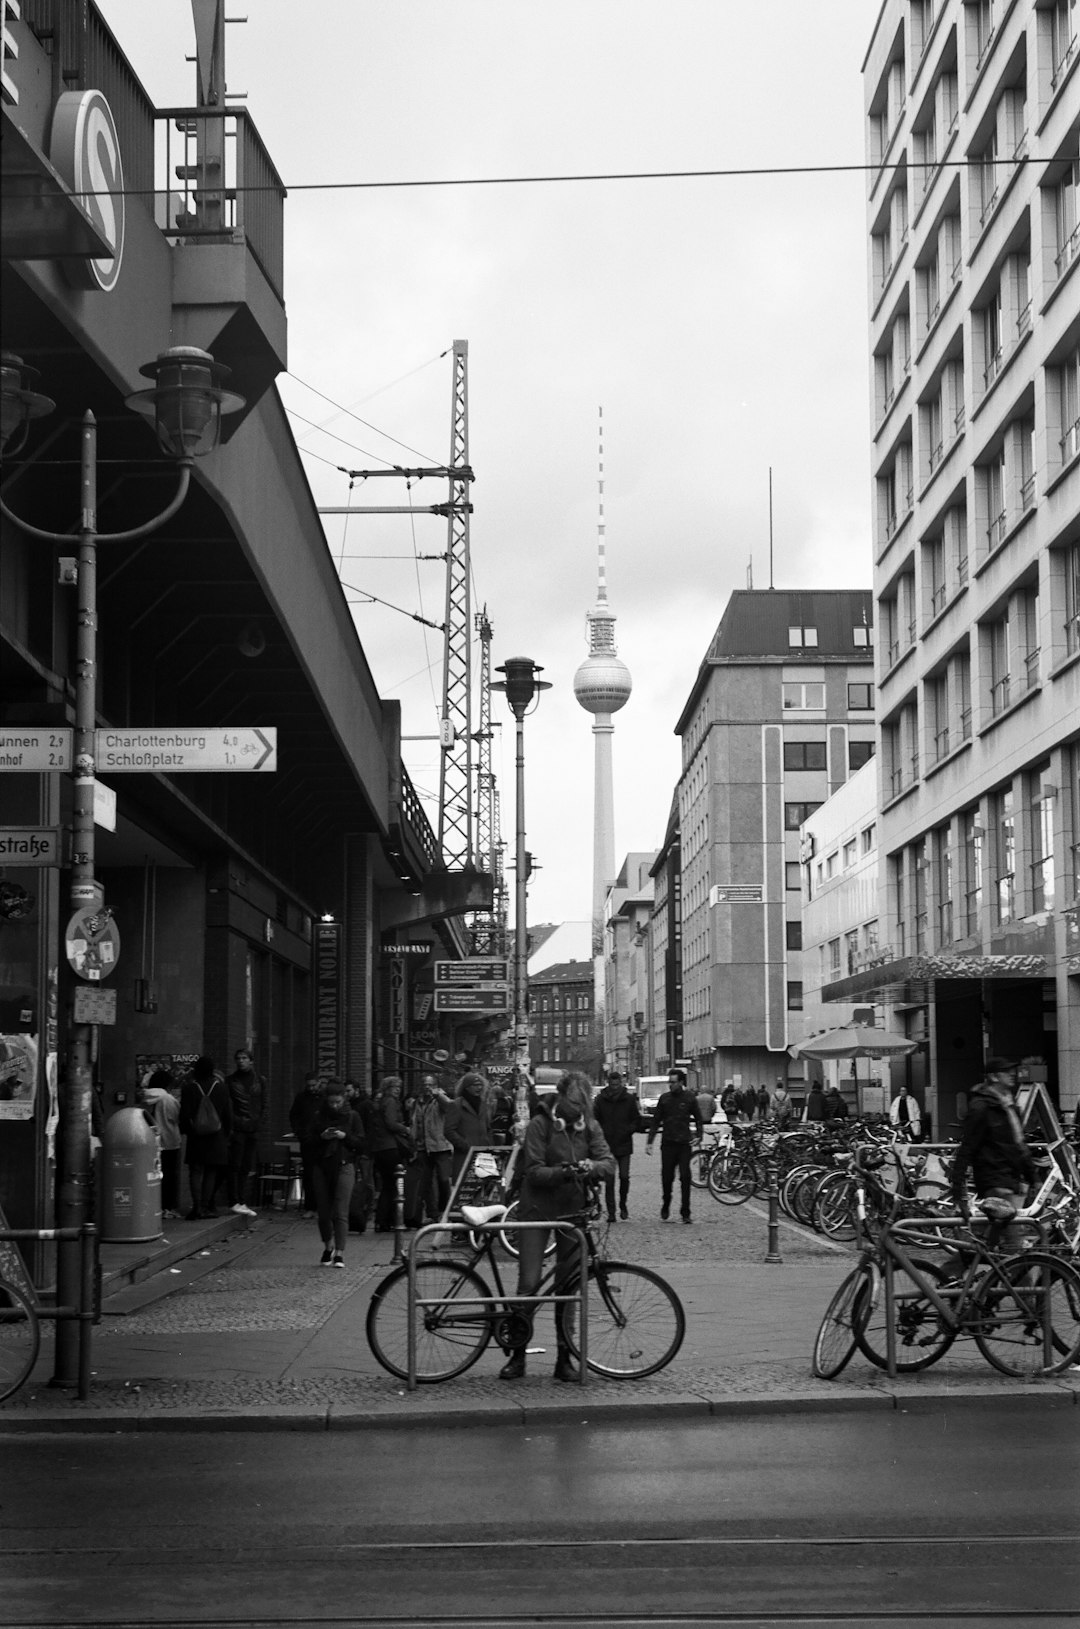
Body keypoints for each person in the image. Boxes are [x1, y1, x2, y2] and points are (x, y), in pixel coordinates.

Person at [499, 1073, 614, 1382]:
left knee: (569, 1287)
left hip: (572, 1213)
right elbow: (534, 1170)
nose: (579, 1110)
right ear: (561, 1098)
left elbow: (608, 1162)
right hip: (537, 1211)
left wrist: (593, 1167)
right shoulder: (540, 1123)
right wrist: (568, 1172)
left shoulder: (588, 1125)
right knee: (529, 1283)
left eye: (584, 1104)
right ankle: (517, 1356)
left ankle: (564, 1358)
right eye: (574, 1103)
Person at [949, 1058, 1036, 1241]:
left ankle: (975, 1262)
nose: (1012, 1075)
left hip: (1009, 1179)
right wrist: (959, 1191)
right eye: (1006, 1072)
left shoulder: (1008, 1106)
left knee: (996, 1239)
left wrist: (1033, 1178)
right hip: (995, 1181)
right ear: (994, 1077)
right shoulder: (982, 1107)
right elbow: (967, 1148)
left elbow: (1019, 1145)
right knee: (1015, 1242)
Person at [309, 1078, 365, 1267]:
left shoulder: (352, 1116)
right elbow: (308, 1141)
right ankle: (328, 1246)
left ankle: (339, 1252)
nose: (334, 1106)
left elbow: (361, 1143)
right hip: (322, 1166)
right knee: (324, 1212)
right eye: (331, 1102)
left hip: (344, 1165)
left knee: (341, 1211)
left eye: (338, 1102)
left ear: (344, 1099)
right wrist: (321, 1136)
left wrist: (345, 1136)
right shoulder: (318, 1116)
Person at [646, 1068, 704, 1223]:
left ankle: (686, 1211)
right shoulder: (664, 1099)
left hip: (684, 1143)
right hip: (668, 1143)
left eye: (673, 1082)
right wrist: (650, 1141)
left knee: (685, 1176)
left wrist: (699, 1136)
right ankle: (666, 1202)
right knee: (667, 1177)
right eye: (669, 1082)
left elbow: (698, 1118)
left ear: (681, 1082)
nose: (670, 1085)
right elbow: (656, 1121)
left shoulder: (690, 1098)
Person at [179, 1056, 232, 1220]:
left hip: (197, 1136)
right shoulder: (222, 1088)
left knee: (195, 1171)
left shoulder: (189, 1088)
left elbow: (184, 1114)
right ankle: (206, 1206)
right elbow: (228, 1114)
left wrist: (187, 1131)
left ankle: (196, 1207)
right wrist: (226, 1133)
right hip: (216, 1136)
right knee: (211, 1171)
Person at [593, 1070, 647, 1221]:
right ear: (609, 1084)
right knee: (609, 1180)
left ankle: (623, 1205)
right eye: (612, 1085)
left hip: (623, 1143)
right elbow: (594, 1120)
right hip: (607, 1146)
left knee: (624, 1177)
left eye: (617, 1085)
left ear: (620, 1083)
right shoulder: (601, 1100)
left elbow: (636, 1119)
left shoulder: (628, 1099)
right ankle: (611, 1212)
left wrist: (628, 1130)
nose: (615, 1087)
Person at [223, 1047, 265, 1216]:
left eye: (244, 1058)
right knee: (236, 1164)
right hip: (238, 1127)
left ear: (251, 1060)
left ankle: (242, 1200)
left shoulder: (260, 1080)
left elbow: (264, 1103)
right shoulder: (231, 1081)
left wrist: (259, 1122)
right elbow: (228, 1105)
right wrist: (234, 1123)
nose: (241, 1061)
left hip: (252, 1128)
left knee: (246, 1165)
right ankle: (235, 1200)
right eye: (238, 1058)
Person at [368, 1075, 413, 1231]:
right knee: (393, 1185)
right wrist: (405, 1129)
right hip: (390, 1147)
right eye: (395, 1088)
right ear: (388, 1089)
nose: (398, 1091)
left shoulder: (379, 1102)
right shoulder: (391, 1102)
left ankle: (382, 1221)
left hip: (379, 1148)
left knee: (387, 1185)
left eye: (399, 1088)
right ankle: (390, 1220)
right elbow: (391, 1123)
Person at [409, 1074, 454, 1226]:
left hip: (440, 1146)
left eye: (430, 1084)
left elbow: (450, 1108)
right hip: (423, 1147)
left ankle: (446, 1211)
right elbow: (414, 1123)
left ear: (435, 1085)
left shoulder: (439, 1100)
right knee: (426, 1183)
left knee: (443, 1180)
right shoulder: (417, 1103)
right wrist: (413, 1144)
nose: (426, 1087)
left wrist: (439, 1095)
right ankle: (432, 1213)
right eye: (424, 1084)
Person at [140, 1069, 182, 1218]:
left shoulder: (144, 1098)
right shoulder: (168, 1099)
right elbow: (177, 1118)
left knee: (151, 1176)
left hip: (150, 1142)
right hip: (169, 1142)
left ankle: (153, 1206)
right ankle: (167, 1208)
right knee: (169, 1177)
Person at [288, 1071, 324, 1218]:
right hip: (308, 1140)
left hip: (321, 1140)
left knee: (322, 1175)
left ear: (318, 1083)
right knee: (309, 1175)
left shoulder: (324, 1098)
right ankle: (310, 1207)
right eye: (309, 1085)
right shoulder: (301, 1098)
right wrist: (299, 1132)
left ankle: (321, 1206)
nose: (311, 1088)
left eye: (313, 1085)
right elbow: (293, 1115)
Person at [444, 1071, 491, 1181]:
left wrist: (489, 1145)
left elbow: (488, 1128)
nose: (479, 1088)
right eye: (475, 1085)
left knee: (483, 1189)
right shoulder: (456, 1105)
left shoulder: (483, 1104)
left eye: (480, 1085)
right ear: (467, 1087)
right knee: (464, 1189)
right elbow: (448, 1130)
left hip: (483, 1156)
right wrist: (465, 1145)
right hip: (465, 1156)